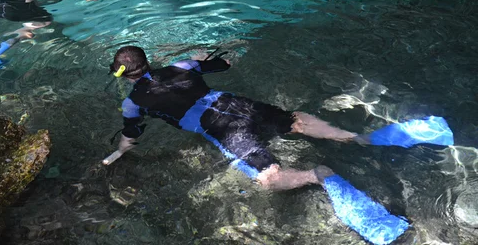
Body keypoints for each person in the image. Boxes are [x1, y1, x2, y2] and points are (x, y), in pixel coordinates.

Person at [107, 45, 363, 191]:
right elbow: (225, 64)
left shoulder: (132, 103)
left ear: (124, 76)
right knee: (293, 121)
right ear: (148, 61)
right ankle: (349, 137)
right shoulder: (182, 66)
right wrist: (200, 56)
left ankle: (315, 176)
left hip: (221, 128)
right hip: (237, 105)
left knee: (268, 177)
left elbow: (131, 134)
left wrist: (121, 148)